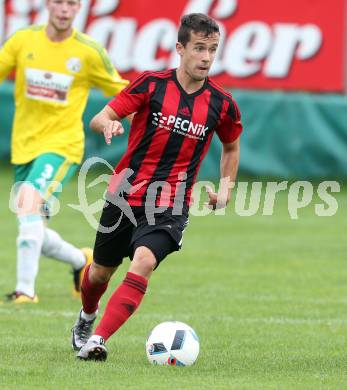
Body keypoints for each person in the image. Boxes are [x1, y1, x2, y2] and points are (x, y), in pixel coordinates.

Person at [71, 12, 243, 361]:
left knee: (144, 260)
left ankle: (97, 340)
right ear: (180, 48)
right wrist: (108, 125)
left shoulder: (221, 103)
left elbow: (231, 145)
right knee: (100, 272)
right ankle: (86, 318)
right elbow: (100, 116)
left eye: (212, 49)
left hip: (171, 203)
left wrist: (226, 188)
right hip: (124, 195)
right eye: (199, 48)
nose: (207, 57)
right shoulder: (151, 84)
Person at [0, 0, 129, 303]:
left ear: (79, 8)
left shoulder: (88, 51)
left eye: (71, 3)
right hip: (23, 147)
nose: (64, 9)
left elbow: (124, 93)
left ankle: (25, 291)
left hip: (62, 146)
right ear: (47, 4)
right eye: (59, 2)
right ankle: (80, 260)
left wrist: (145, 128)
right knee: (31, 226)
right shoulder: (22, 40)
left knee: (28, 204)